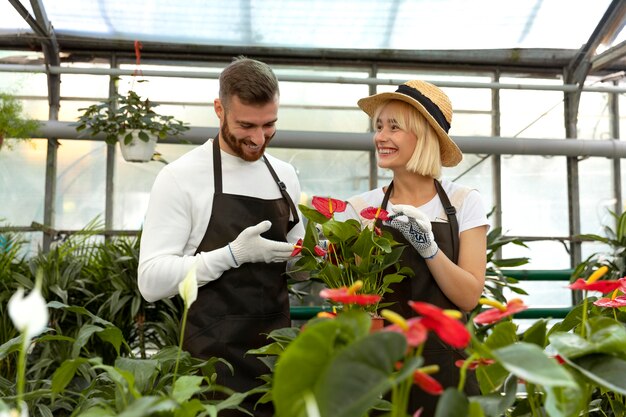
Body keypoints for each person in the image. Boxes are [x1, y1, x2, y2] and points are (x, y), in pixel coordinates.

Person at [137, 56, 304, 416]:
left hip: (276, 362)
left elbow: (297, 260)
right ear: (219, 109)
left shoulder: (285, 174)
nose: (259, 138)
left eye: (269, 124)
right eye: (247, 125)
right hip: (212, 368)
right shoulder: (181, 177)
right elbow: (150, 281)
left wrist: (315, 256)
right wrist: (232, 255)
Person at [346, 80, 489, 416]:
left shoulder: (463, 202)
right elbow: (353, 299)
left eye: (394, 127)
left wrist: (429, 248)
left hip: (447, 369)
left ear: (423, 135)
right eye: (379, 126)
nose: (381, 137)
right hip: (381, 368)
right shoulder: (360, 209)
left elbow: (469, 296)